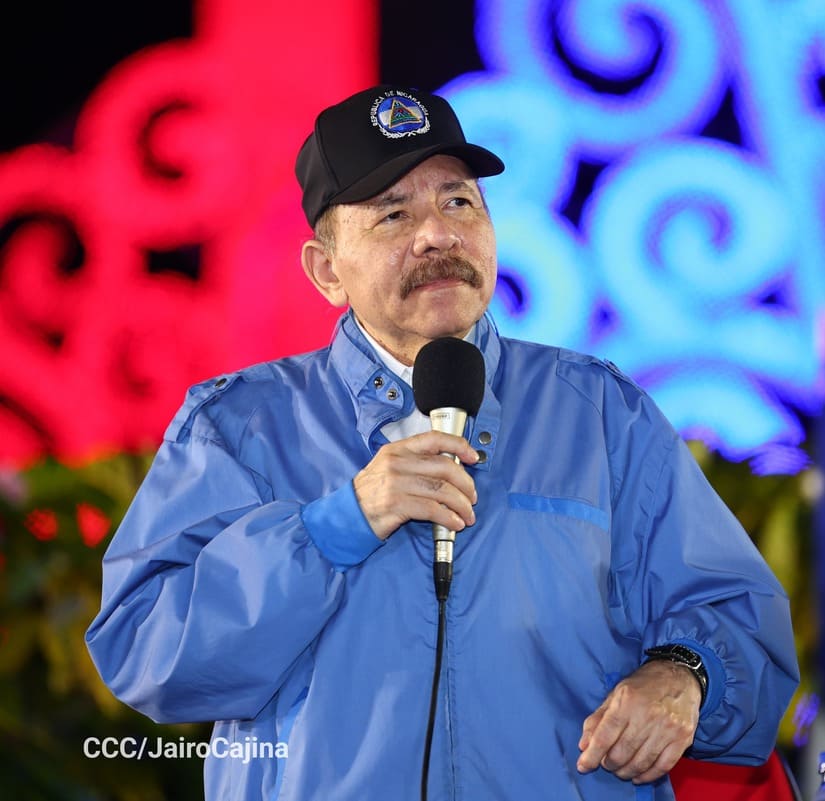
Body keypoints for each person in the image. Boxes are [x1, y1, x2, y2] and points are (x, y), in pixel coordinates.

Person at [86, 85, 799, 801]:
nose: (437, 235)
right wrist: (331, 527)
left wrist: (684, 675)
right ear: (327, 270)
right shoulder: (237, 426)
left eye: (458, 202)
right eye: (394, 214)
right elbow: (144, 652)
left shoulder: (601, 412)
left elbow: (741, 619)